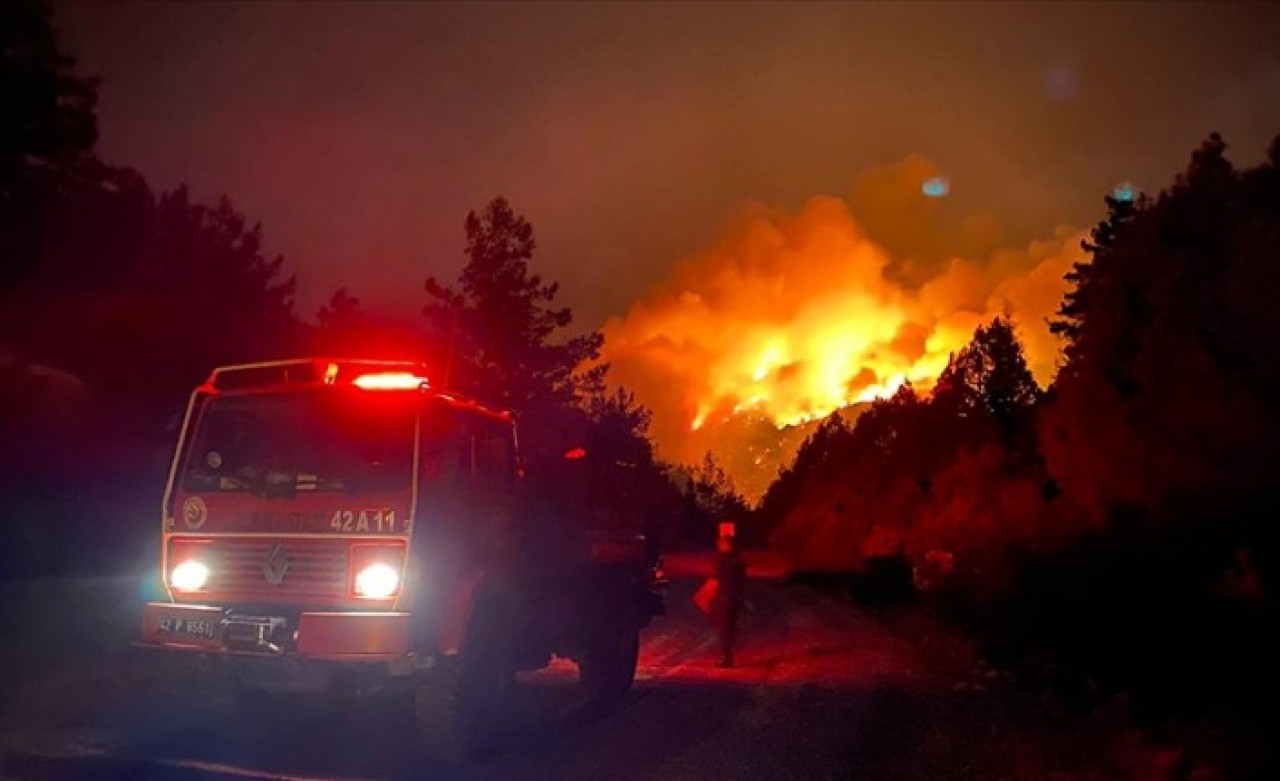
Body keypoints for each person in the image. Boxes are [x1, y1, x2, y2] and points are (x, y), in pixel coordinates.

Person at [711, 530, 747, 667]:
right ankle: (728, 655)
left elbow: (723, 576)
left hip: (727, 597)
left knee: (726, 627)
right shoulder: (735, 560)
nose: (722, 546)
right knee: (727, 627)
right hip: (729, 596)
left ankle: (728, 656)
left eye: (724, 544)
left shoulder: (729, 560)